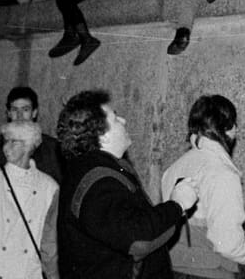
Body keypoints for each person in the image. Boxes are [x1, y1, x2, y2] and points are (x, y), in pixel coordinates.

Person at [56, 90, 198, 279]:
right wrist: (177, 204)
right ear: (102, 136)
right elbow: (138, 240)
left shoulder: (93, 172)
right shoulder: (97, 182)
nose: (123, 120)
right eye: (115, 118)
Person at [160, 95, 245, 278]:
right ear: (227, 128)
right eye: (234, 124)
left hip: (173, 268)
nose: (236, 129)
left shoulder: (172, 169)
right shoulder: (223, 173)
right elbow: (228, 243)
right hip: (209, 272)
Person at [0, 120, 59, 279]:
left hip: (27, 270)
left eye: (14, 142)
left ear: (29, 146)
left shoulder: (49, 187)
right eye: (6, 141)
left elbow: (51, 237)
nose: (6, 147)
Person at [0, 87, 62, 191]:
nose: (20, 116)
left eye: (25, 109)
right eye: (14, 110)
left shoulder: (52, 149)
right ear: (8, 113)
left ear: (34, 112)